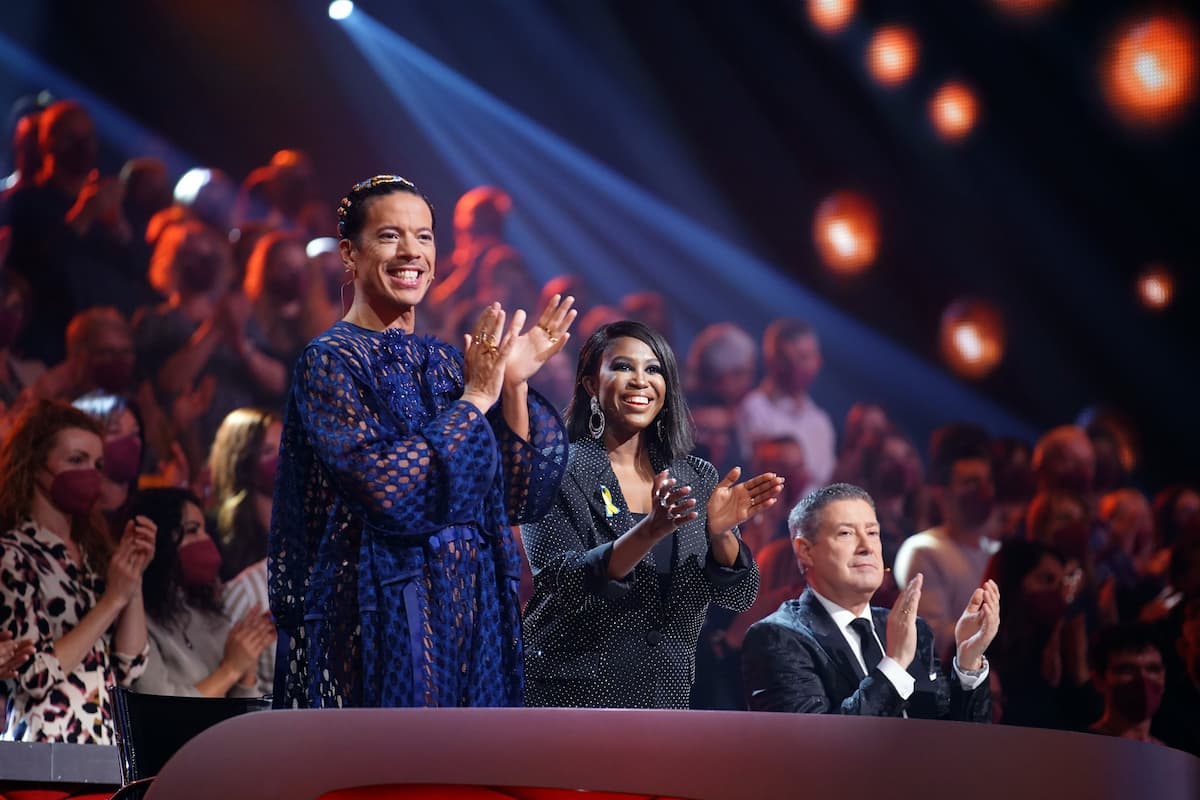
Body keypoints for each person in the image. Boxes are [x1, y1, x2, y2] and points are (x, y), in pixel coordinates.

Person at [270, 174, 573, 709]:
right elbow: (384, 486)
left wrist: (513, 386)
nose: (412, 251)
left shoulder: (446, 361)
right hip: (382, 613)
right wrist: (479, 396)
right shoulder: (330, 361)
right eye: (390, 236)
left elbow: (517, 495)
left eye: (425, 236)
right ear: (350, 253)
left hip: (472, 606)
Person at [521, 320, 782, 709]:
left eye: (653, 369)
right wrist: (651, 530)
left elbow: (740, 596)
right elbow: (565, 584)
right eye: (623, 367)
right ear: (591, 384)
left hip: (667, 695)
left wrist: (721, 535)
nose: (640, 380)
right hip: (573, 696)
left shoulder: (697, 475)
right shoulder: (554, 469)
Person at [742, 483, 997, 719]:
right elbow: (816, 747)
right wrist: (895, 664)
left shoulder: (911, 629)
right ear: (806, 551)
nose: (867, 547)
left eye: (873, 532)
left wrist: (968, 663)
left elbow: (956, 742)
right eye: (845, 533)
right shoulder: (777, 637)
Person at [0, 400, 156, 742]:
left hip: (104, 749)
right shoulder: (13, 555)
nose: (90, 473)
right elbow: (33, 674)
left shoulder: (93, 556)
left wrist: (133, 574)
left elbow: (130, 667)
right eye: (76, 460)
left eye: (97, 464)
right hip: (43, 753)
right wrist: (111, 600)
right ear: (36, 465)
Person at [132, 488, 274, 698]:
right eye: (192, 531)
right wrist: (231, 670)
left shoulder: (209, 614)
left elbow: (246, 713)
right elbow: (160, 710)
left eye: (205, 530)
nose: (205, 541)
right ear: (160, 541)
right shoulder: (139, 622)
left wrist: (247, 666)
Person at [893, 424, 1000, 663]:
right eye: (971, 482)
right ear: (942, 493)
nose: (982, 491)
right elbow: (930, 636)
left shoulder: (995, 552)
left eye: (986, 481)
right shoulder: (924, 550)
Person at [736, 319, 835, 494]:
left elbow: (827, 481)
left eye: (805, 357)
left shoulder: (820, 421)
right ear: (772, 361)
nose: (797, 367)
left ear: (818, 361)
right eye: (787, 358)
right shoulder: (755, 408)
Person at [1088, 623, 1167, 744]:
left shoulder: (1171, 755)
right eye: (1127, 670)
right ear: (1099, 680)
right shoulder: (1082, 745)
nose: (1143, 680)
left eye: (1153, 669)